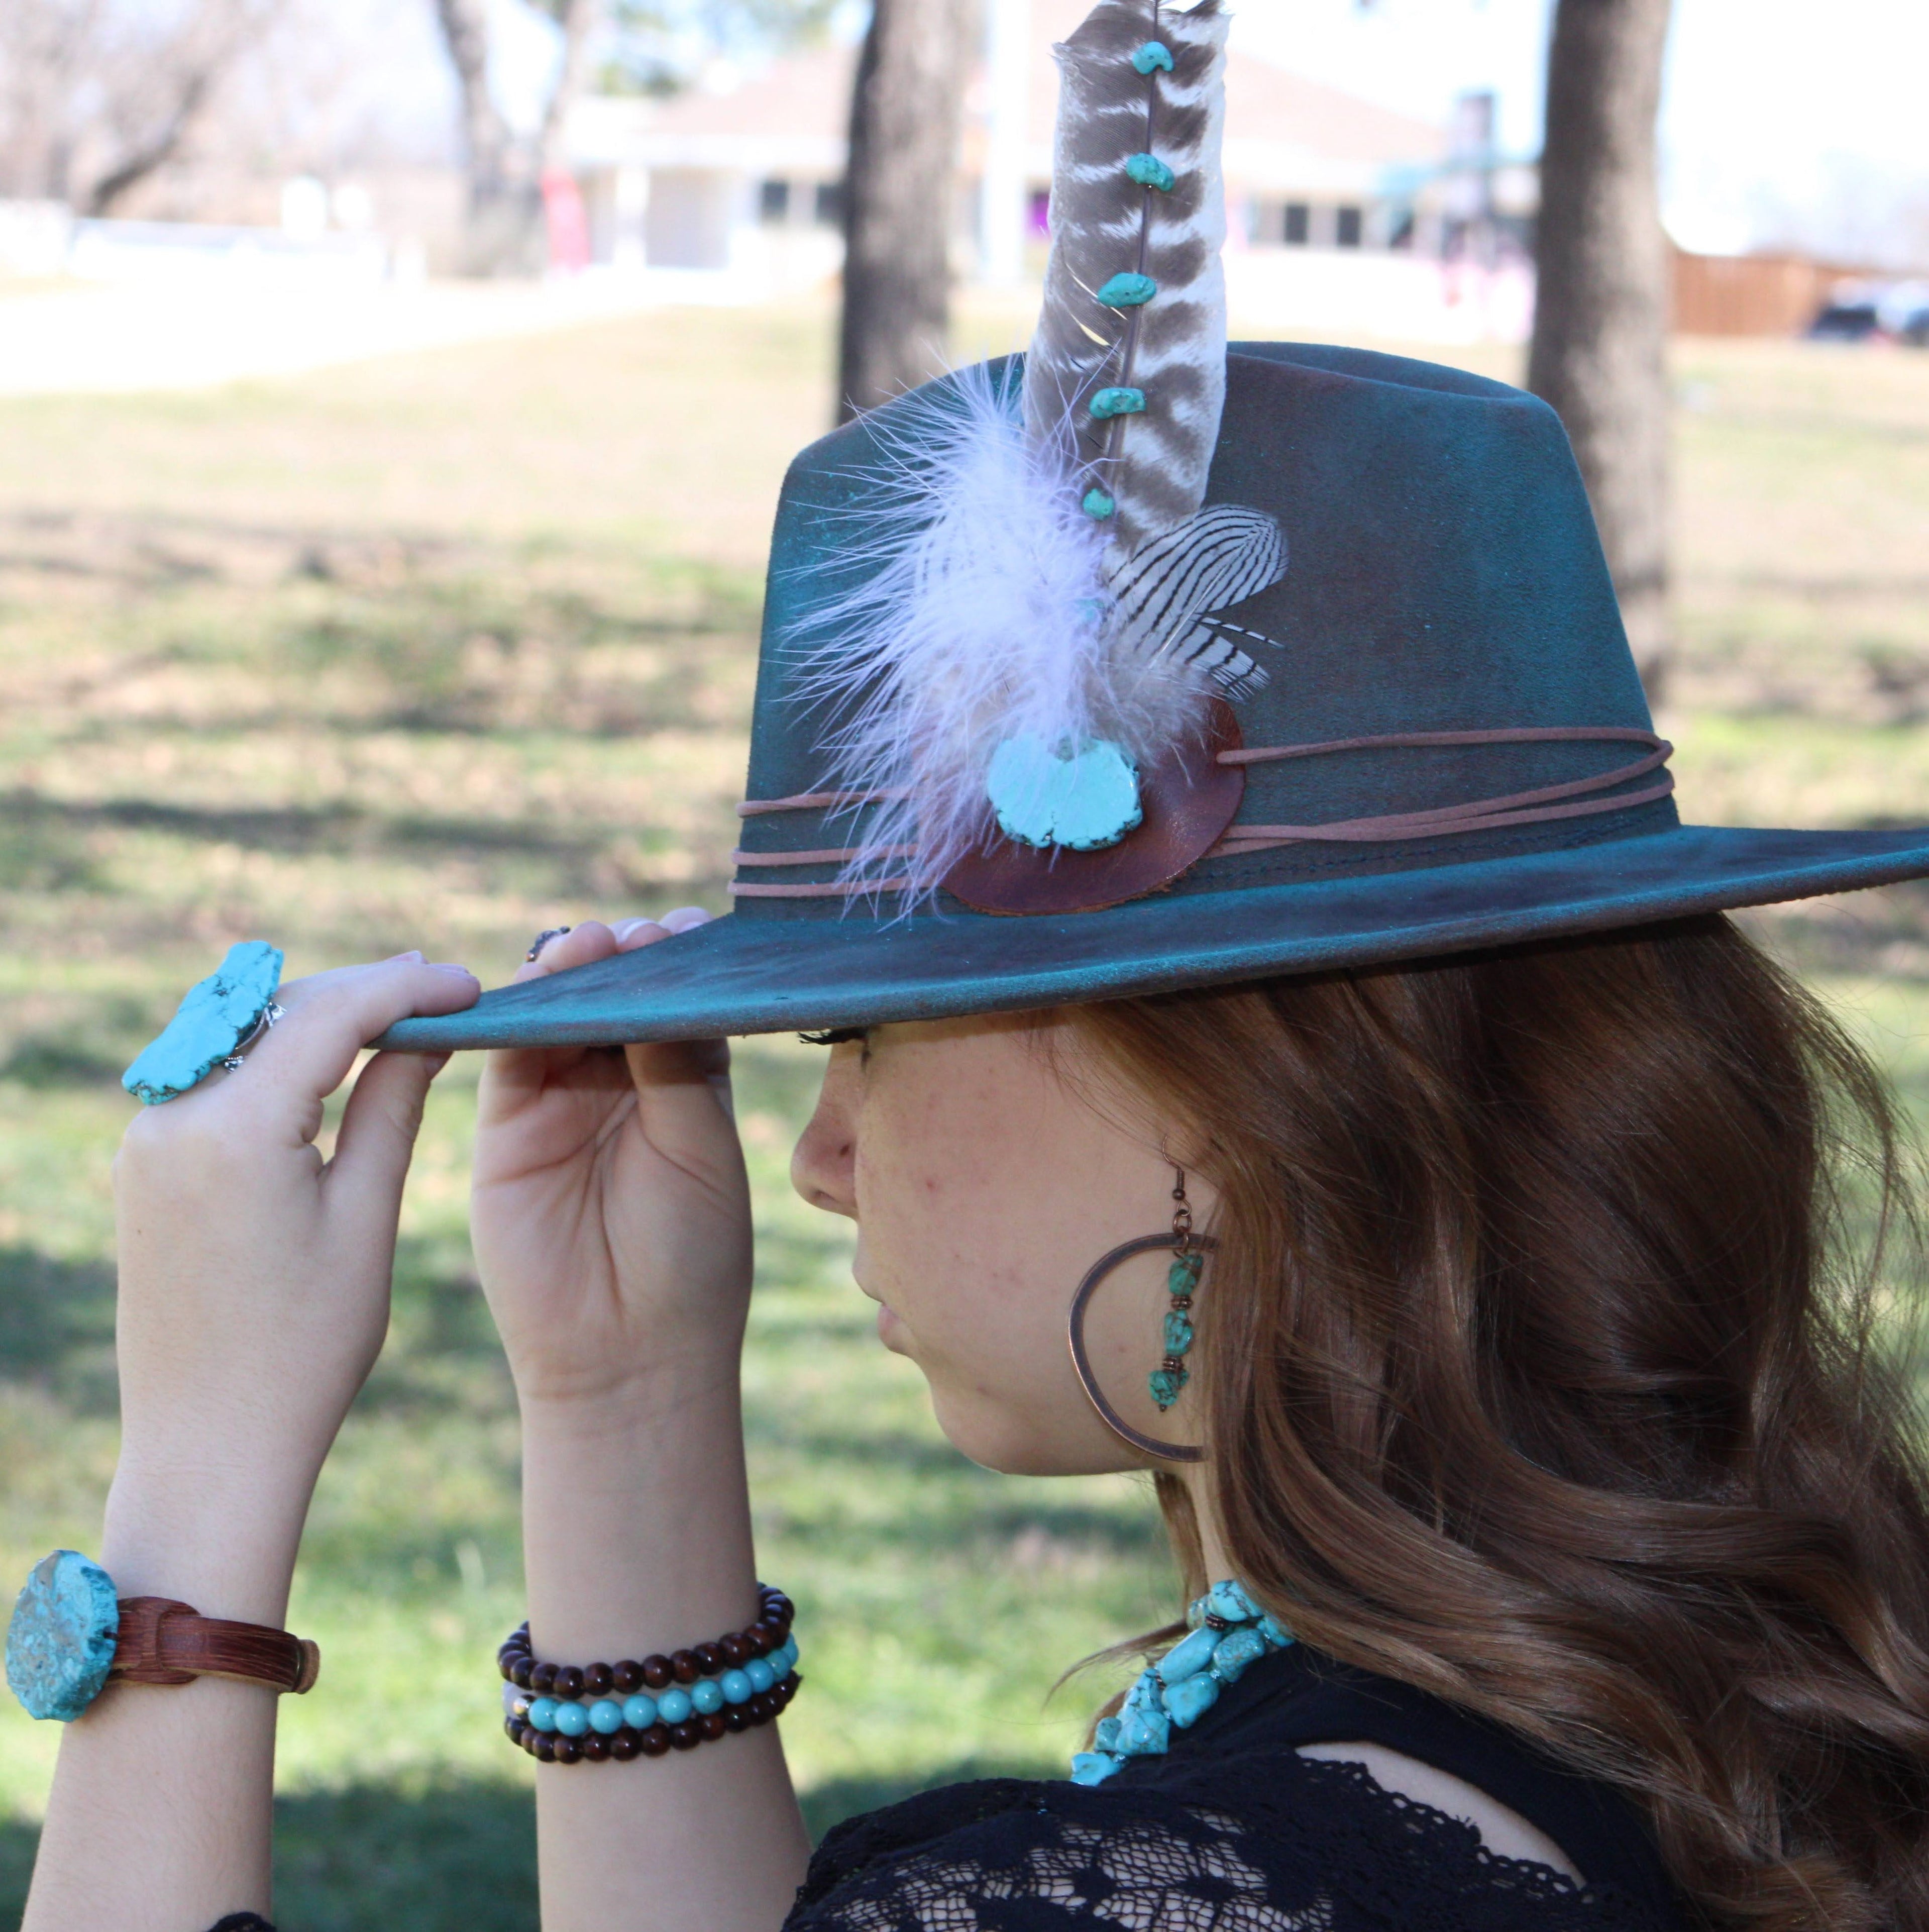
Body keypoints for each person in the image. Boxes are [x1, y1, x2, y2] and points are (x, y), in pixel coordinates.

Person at [12, 4, 1929, 1927]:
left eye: (869, 1032)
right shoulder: (1729, 1692)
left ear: (1227, 1094)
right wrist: (622, 1402)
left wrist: (192, 1486)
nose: (820, 1152)